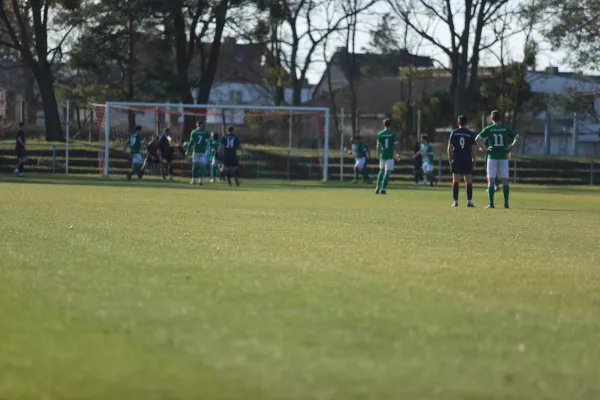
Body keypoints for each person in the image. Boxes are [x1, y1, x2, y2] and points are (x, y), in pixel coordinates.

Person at [475, 110, 519, 209]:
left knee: (491, 180)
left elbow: (477, 138)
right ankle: (506, 204)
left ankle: (491, 204)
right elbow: (517, 137)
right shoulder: (505, 128)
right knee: (505, 180)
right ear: (500, 118)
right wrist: (510, 147)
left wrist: (483, 148)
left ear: (491, 118)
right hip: (503, 156)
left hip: (492, 156)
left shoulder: (489, 128)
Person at [448, 115, 477, 207]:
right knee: (468, 181)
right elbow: (473, 148)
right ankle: (469, 201)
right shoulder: (470, 134)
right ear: (466, 123)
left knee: (455, 180)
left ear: (458, 122)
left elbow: (449, 147)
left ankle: (455, 201)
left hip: (456, 158)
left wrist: (450, 160)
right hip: (467, 159)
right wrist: (474, 159)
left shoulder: (454, 132)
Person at [375, 118, 399, 195]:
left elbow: (378, 145)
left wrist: (378, 154)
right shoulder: (392, 134)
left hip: (382, 155)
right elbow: (396, 145)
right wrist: (398, 153)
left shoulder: (380, 134)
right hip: (389, 155)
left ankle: (377, 186)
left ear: (383, 125)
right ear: (390, 124)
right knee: (387, 172)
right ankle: (383, 189)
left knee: (381, 171)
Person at [185, 120, 210, 185]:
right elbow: (208, 141)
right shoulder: (205, 132)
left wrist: (187, 150)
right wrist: (209, 149)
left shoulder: (193, 132)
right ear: (202, 125)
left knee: (194, 166)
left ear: (197, 125)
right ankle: (200, 180)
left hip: (195, 151)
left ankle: (193, 180)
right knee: (202, 166)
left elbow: (191, 142)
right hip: (203, 152)